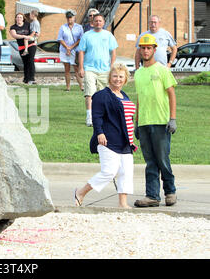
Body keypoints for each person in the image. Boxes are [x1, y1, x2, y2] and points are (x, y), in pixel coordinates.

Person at [74, 64, 137, 209]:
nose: (118, 79)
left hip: (125, 142)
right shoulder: (101, 95)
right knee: (109, 172)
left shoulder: (124, 95)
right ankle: (81, 192)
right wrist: (100, 133)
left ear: (125, 79)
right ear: (110, 77)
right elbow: (97, 117)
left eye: (121, 77)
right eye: (115, 76)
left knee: (126, 172)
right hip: (108, 140)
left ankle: (123, 203)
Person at [133, 34, 178, 208]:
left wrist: (172, 118)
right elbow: (139, 99)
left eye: (148, 48)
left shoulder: (162, 70)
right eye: (143, 48)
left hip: (161, 122)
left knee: (162, 159)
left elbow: (171, 94)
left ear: (154, 49)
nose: (145, 51)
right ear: (140, 50)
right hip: (144, 123)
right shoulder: (138, 74)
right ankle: (152, 196)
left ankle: (170, 191)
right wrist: (137, 122)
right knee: (150, 161)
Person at [77, 14, 118, 127]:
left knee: (103, 94)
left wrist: (111, 66)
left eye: (100, 21)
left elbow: (113, 51)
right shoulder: (87, 36)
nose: (98, 23)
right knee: (89, 92)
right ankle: (89, 116)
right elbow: (81, 51)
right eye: (96, 21)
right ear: (93, 22)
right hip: (89, 68)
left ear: (103, 22)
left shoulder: (108, 35)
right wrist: (81, 67)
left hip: (104, 70)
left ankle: (102, 116)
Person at [57, 9, 84, 91]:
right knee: (67, 69)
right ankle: (68, 87)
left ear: (74, 18)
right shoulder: (63, 27)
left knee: (76, 68)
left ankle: (81, 86)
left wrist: (71, 47)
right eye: (68, 18)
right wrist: (67, 48)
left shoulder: (79, 27)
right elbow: (60, 39)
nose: (69, 19)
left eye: (71, 17)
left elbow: (81, 39)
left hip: (75, 50)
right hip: (64, 50)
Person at [9, 12, 37, 84]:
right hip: (21, 47)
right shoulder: (13, 27)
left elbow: (33, 32)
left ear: (23, 18)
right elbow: (15, 35)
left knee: (31, 61)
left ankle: (32, 79)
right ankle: (26, 79)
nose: (19, 19)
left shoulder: (28, 25)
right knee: (25, 62)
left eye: (20, 17)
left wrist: (31, 36)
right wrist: (24, 36)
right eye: (17, 17)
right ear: (15, 19)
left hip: (31, 45)